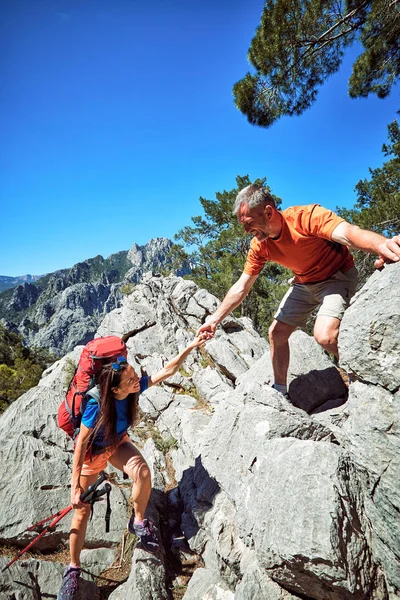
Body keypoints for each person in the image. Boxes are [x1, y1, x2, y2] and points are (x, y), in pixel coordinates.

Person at [197, 184, 400, 398]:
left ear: (268, 212)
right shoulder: (260, 246)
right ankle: (280, 391)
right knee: (277, 333)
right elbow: (241, 287)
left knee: (326, 336)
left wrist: (382, 244)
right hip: (304, 283)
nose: (246, 231)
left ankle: (371, 372)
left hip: (336, 277)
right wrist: (214, 320)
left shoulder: (305, 217)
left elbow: (348, 234)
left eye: (249, 223)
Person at [58, 332, 208, 600]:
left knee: (142, 472)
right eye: (129, 379)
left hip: (116, 442)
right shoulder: (96, 404)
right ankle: (72, 569)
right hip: (93, 453)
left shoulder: (130, 388)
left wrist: (191, 346)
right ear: (116, 390)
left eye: (133, 375)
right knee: (81, 511)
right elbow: (81, 443)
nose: (135, 380)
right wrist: (74, 490)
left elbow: (167, 371)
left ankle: (138, 522)